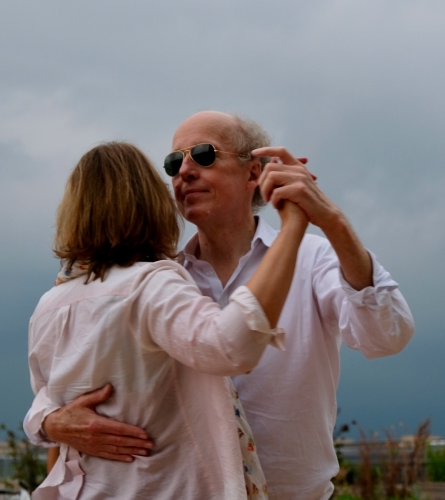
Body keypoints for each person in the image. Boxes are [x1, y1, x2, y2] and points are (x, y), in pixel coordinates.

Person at [25, 113, 414, 500]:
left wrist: (332, 221)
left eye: (203, 154)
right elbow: (69, 375)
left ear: (253, 173)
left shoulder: (312, 258)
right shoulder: (155, 282)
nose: (184, 171)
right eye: (174, 163)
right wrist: (50, 421)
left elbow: (387, 335)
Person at [26, 141, 309, 499]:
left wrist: (45, 422)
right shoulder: (150, 284)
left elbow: (46, 400)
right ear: (150, 202)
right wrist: (294, 227)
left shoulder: (48, 306)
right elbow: (229, 346)